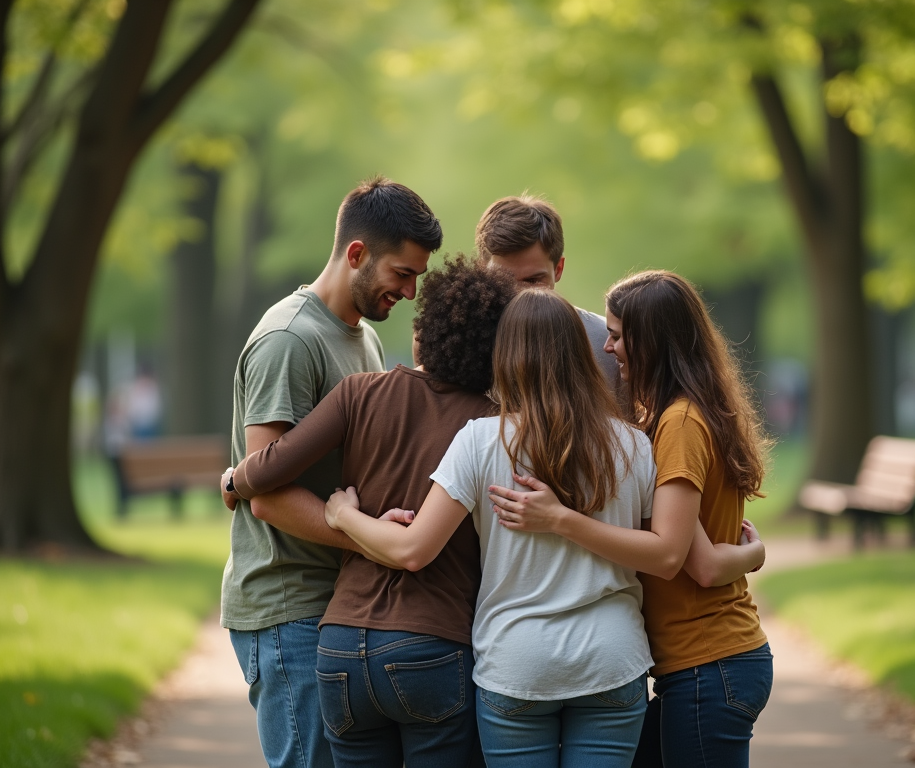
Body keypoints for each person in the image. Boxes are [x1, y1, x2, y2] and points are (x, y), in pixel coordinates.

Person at [324, 289, 663, 767]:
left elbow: (412, 550)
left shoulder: (483, 441)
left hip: (515, 665)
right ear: (580, 352)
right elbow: (659, 554)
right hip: (611, 659)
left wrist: (341, 515)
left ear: (506, 357)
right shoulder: (633, 444)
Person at [225, 256, 517, 768]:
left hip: (341, 646)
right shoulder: (492, 426)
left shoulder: (361, 391)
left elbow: (269, 466)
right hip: (433, 643)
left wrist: (234, 479)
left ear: (427, 327)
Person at [488, 270, 773, 768]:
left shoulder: (679, 424)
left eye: (618, 336)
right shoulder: (686, 412)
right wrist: (754, 553)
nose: (610, 347)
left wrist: (561, 519)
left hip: (708, 662)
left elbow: (675, 556)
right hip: (704, 666)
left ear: (651, 341)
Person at [220, 176, 442, 768]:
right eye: (403, 273)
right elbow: (264, 493)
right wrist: (369, 540)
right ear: (356, 255)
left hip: (335, 604)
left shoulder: (361, 337)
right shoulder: (290, 339)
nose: (412, 291)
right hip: (288, 606)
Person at [475, 194, 619, 387]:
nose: (519, 295)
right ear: (482, 271)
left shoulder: (606, 345)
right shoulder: (458, 345)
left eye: (533, 280)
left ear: (558, 269)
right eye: (503, 280)